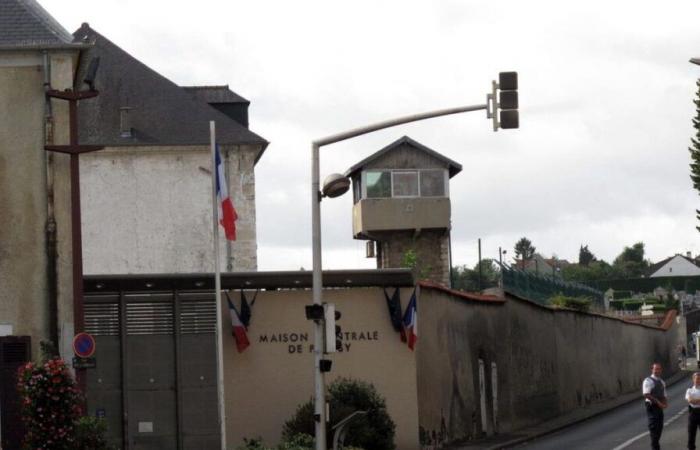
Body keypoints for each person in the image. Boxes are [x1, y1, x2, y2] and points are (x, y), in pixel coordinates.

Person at [643, 363, 668, 450]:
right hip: (652, 406)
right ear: (652, 370)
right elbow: (647, 394)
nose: (657, 371)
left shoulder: (662, 382)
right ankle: (655, 448)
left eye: (659, 369)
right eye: (656, 369)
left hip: (659, 407)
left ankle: (655, 445)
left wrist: (665, 403)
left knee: (659, 427)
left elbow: (664, 395)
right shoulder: (648, 380)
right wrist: (658, 402)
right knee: (654, 428)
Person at [687, 373, 700, 450]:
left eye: (699, 379)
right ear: (693, 380)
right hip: (693, 413)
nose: (698, 380)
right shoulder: (689, 390)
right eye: (696, 379)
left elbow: (693, 400)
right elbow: (690, 401)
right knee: (691, 434)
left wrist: (695, 400)